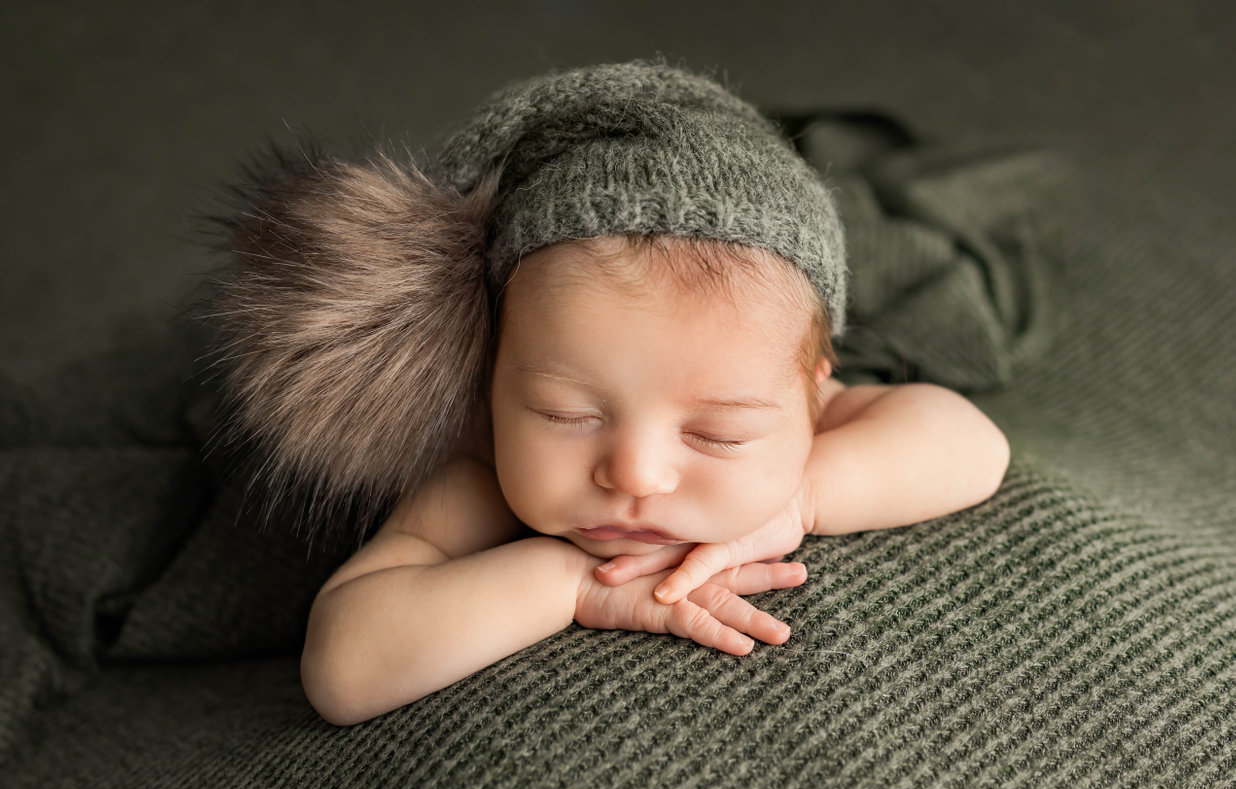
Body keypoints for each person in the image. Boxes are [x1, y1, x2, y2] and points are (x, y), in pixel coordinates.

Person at [211, 61, 1010, 726]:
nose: (634, 474)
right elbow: (345, 667)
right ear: (491, 377)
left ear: (814, 389)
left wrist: (800, 499)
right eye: (568, 415)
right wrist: (573, 583)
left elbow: (971, 443)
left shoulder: (793, 419)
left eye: (717, 435)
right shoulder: (483, 468)